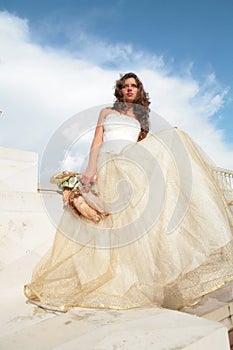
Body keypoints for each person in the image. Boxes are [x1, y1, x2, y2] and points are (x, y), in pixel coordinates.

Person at [24, 73, 233, 312]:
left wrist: (167, 139)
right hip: (109, 164)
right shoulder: (106, 112)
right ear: (120, 91)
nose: (129, 89)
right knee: (113, 221)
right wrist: (90, 170)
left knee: (137, 219)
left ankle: (139, 279)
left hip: (134, 164)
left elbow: (141, 145)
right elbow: (96, 141)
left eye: (134, 86)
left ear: (139, 91)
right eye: (125, 86)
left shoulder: (141, 118)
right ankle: (116, 279)